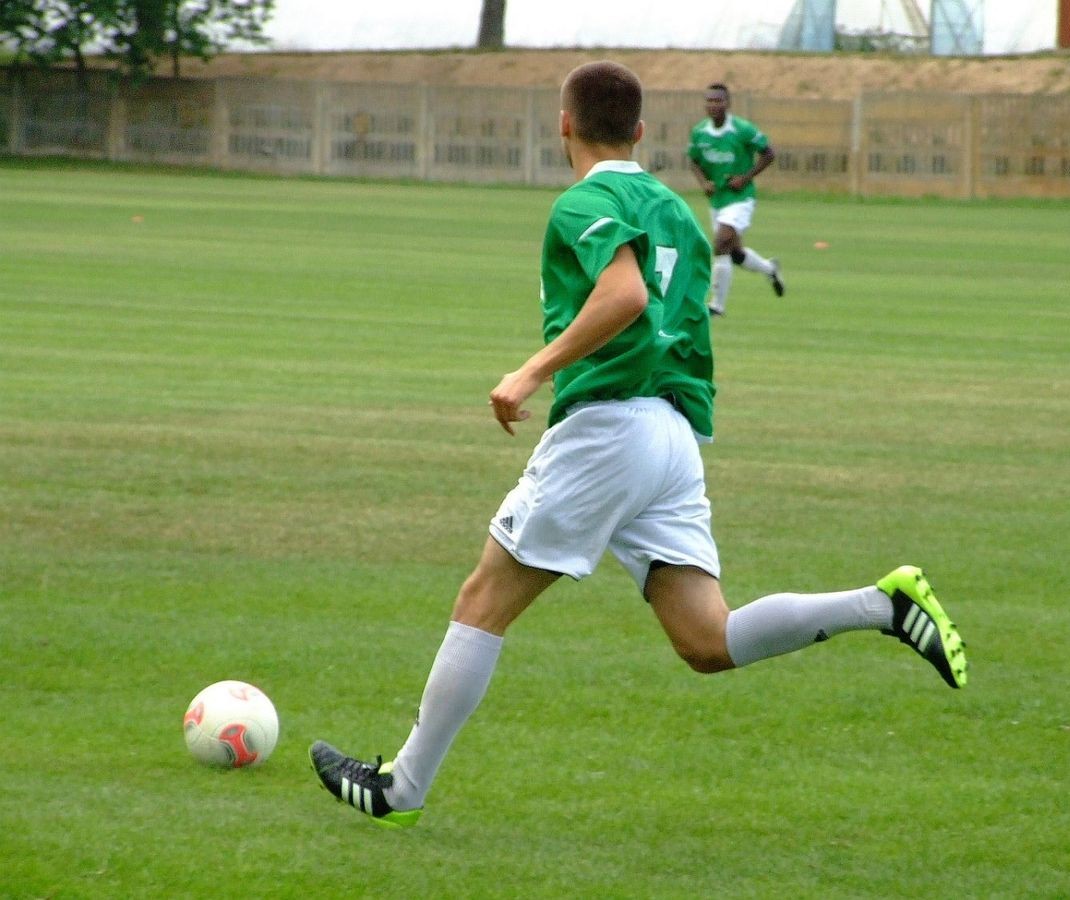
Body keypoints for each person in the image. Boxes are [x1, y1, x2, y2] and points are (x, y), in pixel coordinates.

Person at [309, 61, 967, 829]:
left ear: (565, 123)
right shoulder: (677, 213)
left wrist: (531, 372)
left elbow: (622, 296)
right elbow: (681, 328)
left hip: (608, 431)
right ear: (643, 132)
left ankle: (402, 789)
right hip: (672, 435)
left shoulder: (584, 199)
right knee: (706, 639)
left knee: (482, 600)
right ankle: (881, 606)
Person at [687, 82, 785, 317]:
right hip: (718, 201)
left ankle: (717, 306)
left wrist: (745, 177)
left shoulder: (742, 129)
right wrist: (704, 183)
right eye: (709, 100)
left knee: (720, 243)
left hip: (741, 199)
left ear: (727, 103)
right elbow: (693, 160)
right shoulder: (700, 132)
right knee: (734, 253)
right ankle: (770, 268)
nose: (713, 105)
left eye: (718, 100)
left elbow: (769, 153)